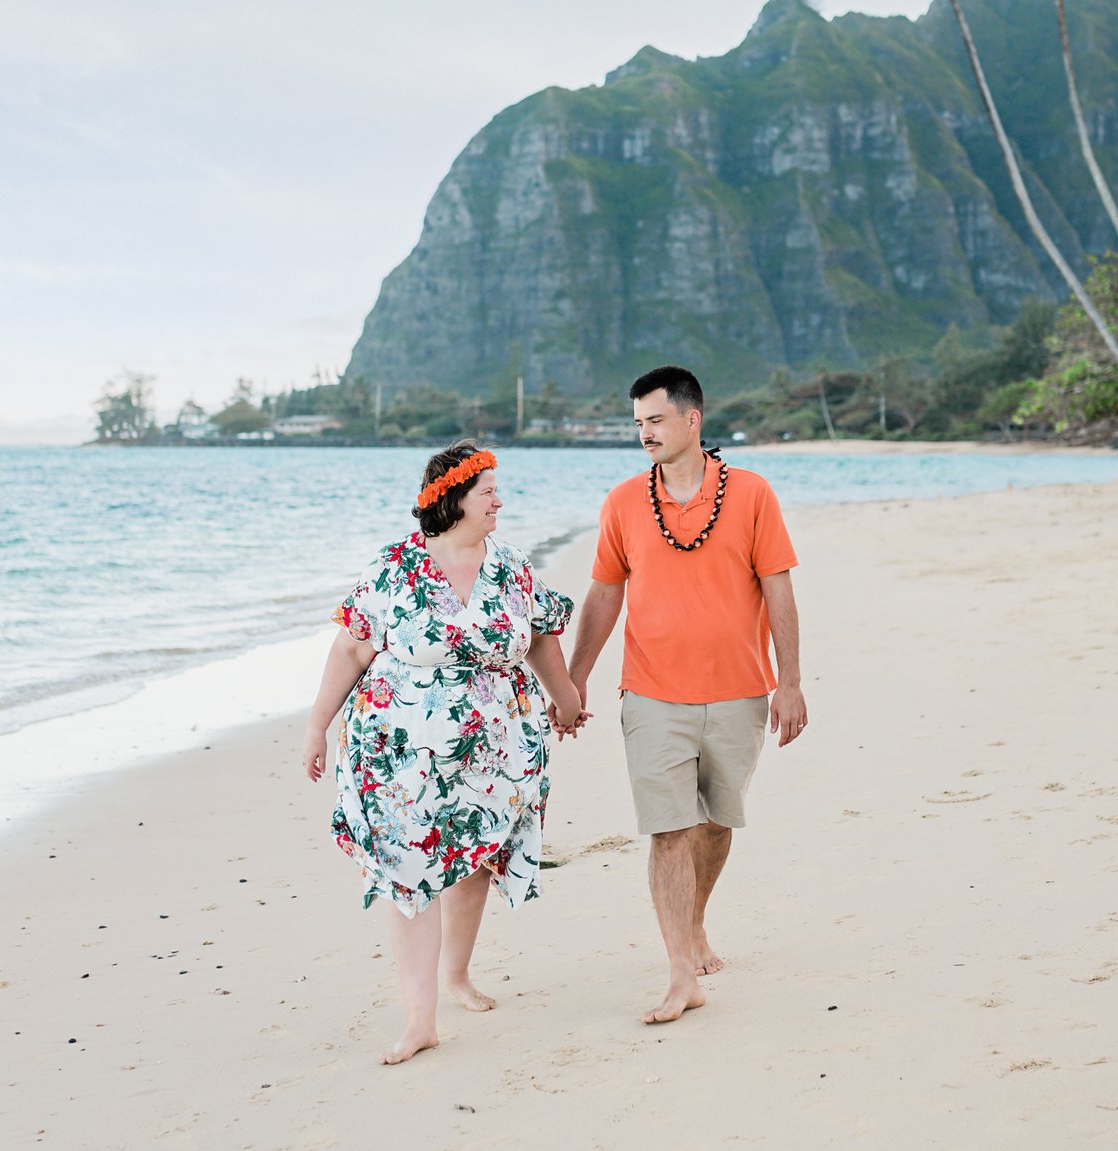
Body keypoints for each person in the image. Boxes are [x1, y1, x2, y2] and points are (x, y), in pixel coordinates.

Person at [301, 442, 586, 1065]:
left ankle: (457, 974)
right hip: (398, 755)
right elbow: (352, 650)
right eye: (488, 491)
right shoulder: (395, 567)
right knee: (410, 874)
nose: (498, 502)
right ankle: (420, 1018)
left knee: (476, 857)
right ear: (452, 498)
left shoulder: (510, 566)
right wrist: (318, 725)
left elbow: (540, 636)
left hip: (493, 750)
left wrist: (565, 699)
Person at [567, 364, 808, 1025]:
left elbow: (778, 588)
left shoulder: (753, 494)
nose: (643, 432)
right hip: (651, 693)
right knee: (670, 830)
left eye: (655, 419)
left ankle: (695, 923)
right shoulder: (621, 502)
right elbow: (605, 592)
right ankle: (680, 972)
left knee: (716, 823)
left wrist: (789, 680)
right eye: (637, 421)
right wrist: (574, 675)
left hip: (738, 690)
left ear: (691, 419)